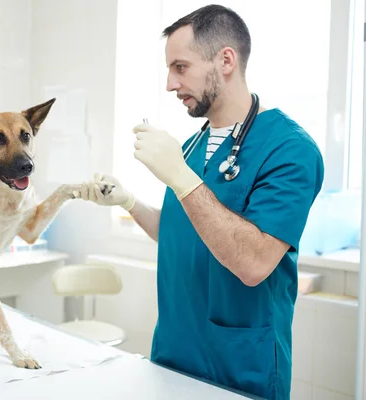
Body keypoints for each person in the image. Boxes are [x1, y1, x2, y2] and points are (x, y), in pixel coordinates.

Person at [75, 4, 324, 400]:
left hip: (240, 365)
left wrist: (180, 176)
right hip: (174, 355)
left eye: (180, 67)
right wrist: (129, 201)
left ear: (226, 60)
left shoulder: (290, 149)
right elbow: (181, 233)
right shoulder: (192, 147)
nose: (171, 84)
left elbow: (255, 263)